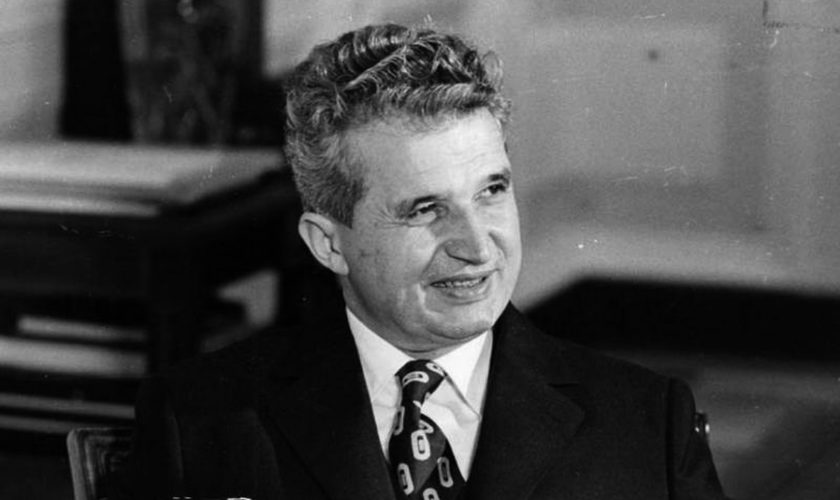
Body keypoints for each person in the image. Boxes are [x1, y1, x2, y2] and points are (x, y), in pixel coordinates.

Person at [127, 23, 727, 499]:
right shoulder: (201, 421)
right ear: (328, 243)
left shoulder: (646, 424)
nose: (477, 246)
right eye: (426, 209)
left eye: (491, 191)